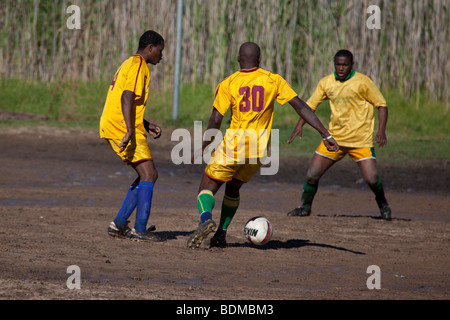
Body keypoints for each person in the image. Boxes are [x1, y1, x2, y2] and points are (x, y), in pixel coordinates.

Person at [186, 42, 339, 249]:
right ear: (259, 60)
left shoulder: (228, 83)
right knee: (233, 188)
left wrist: (204, 145)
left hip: (233, 147)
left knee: (206, 188)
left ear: (238, 60)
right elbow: (301, 106)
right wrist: (325, 133)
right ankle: (221, 233)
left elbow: (215, 119)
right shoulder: (272, 80)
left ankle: (205, 221)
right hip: (258, 151)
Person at [286, 49, 392, 220]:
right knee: (312, 174)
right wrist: (299, 126)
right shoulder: (326, 82)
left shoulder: (363, 82)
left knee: (372, 179)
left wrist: (381, 130)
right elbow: (310, 106)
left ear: (352, 65)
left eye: (344, 65)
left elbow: (382, 105)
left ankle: (383, 204)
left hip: (361, 141)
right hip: (334, 140)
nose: (341, 68)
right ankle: (304, 207)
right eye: (338, 65)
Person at [99, 30, 165, 241]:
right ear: (150, 48)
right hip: (121, 125)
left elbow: (129, 100)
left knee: (146, 174)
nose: (161, 56)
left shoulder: (129, 63)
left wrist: (145, 124)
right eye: (160, 51)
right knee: (149, 174)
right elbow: (127, 97)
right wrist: (129, 129)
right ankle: (139, 228)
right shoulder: (139, 65)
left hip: (117, 123)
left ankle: (119, 224)